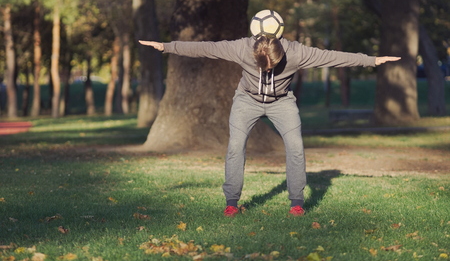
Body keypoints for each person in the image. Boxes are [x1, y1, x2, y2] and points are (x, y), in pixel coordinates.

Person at [139, 33, 400, 217]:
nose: (266, 70)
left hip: (281, 102)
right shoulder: (241, 47)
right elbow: (205, 48)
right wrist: (165, 46)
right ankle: (232, 203)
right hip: (246, 101)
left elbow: (332, 56)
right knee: (235, 147)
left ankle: (296, 203)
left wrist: (372, 60)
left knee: (296, 147)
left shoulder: (297, 52)